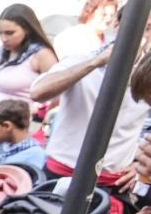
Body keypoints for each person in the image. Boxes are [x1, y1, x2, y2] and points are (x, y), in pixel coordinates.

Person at [27, 17, 151, 186]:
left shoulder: (145, 76)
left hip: (113, 181)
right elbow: (38, 92)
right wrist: (94, 63)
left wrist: (139, 164)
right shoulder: (81, 60)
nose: (141, 36)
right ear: (117, 26)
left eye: (148, 29)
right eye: (134, 27)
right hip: (61, 172)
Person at [0, 3, 56, 166]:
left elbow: (57, 93)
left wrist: (34, 124)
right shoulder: (2, 52)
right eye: (1, 33)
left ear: (27, 29)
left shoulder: (41, 55)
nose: (4, 38)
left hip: (8, 128)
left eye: (10, 33)